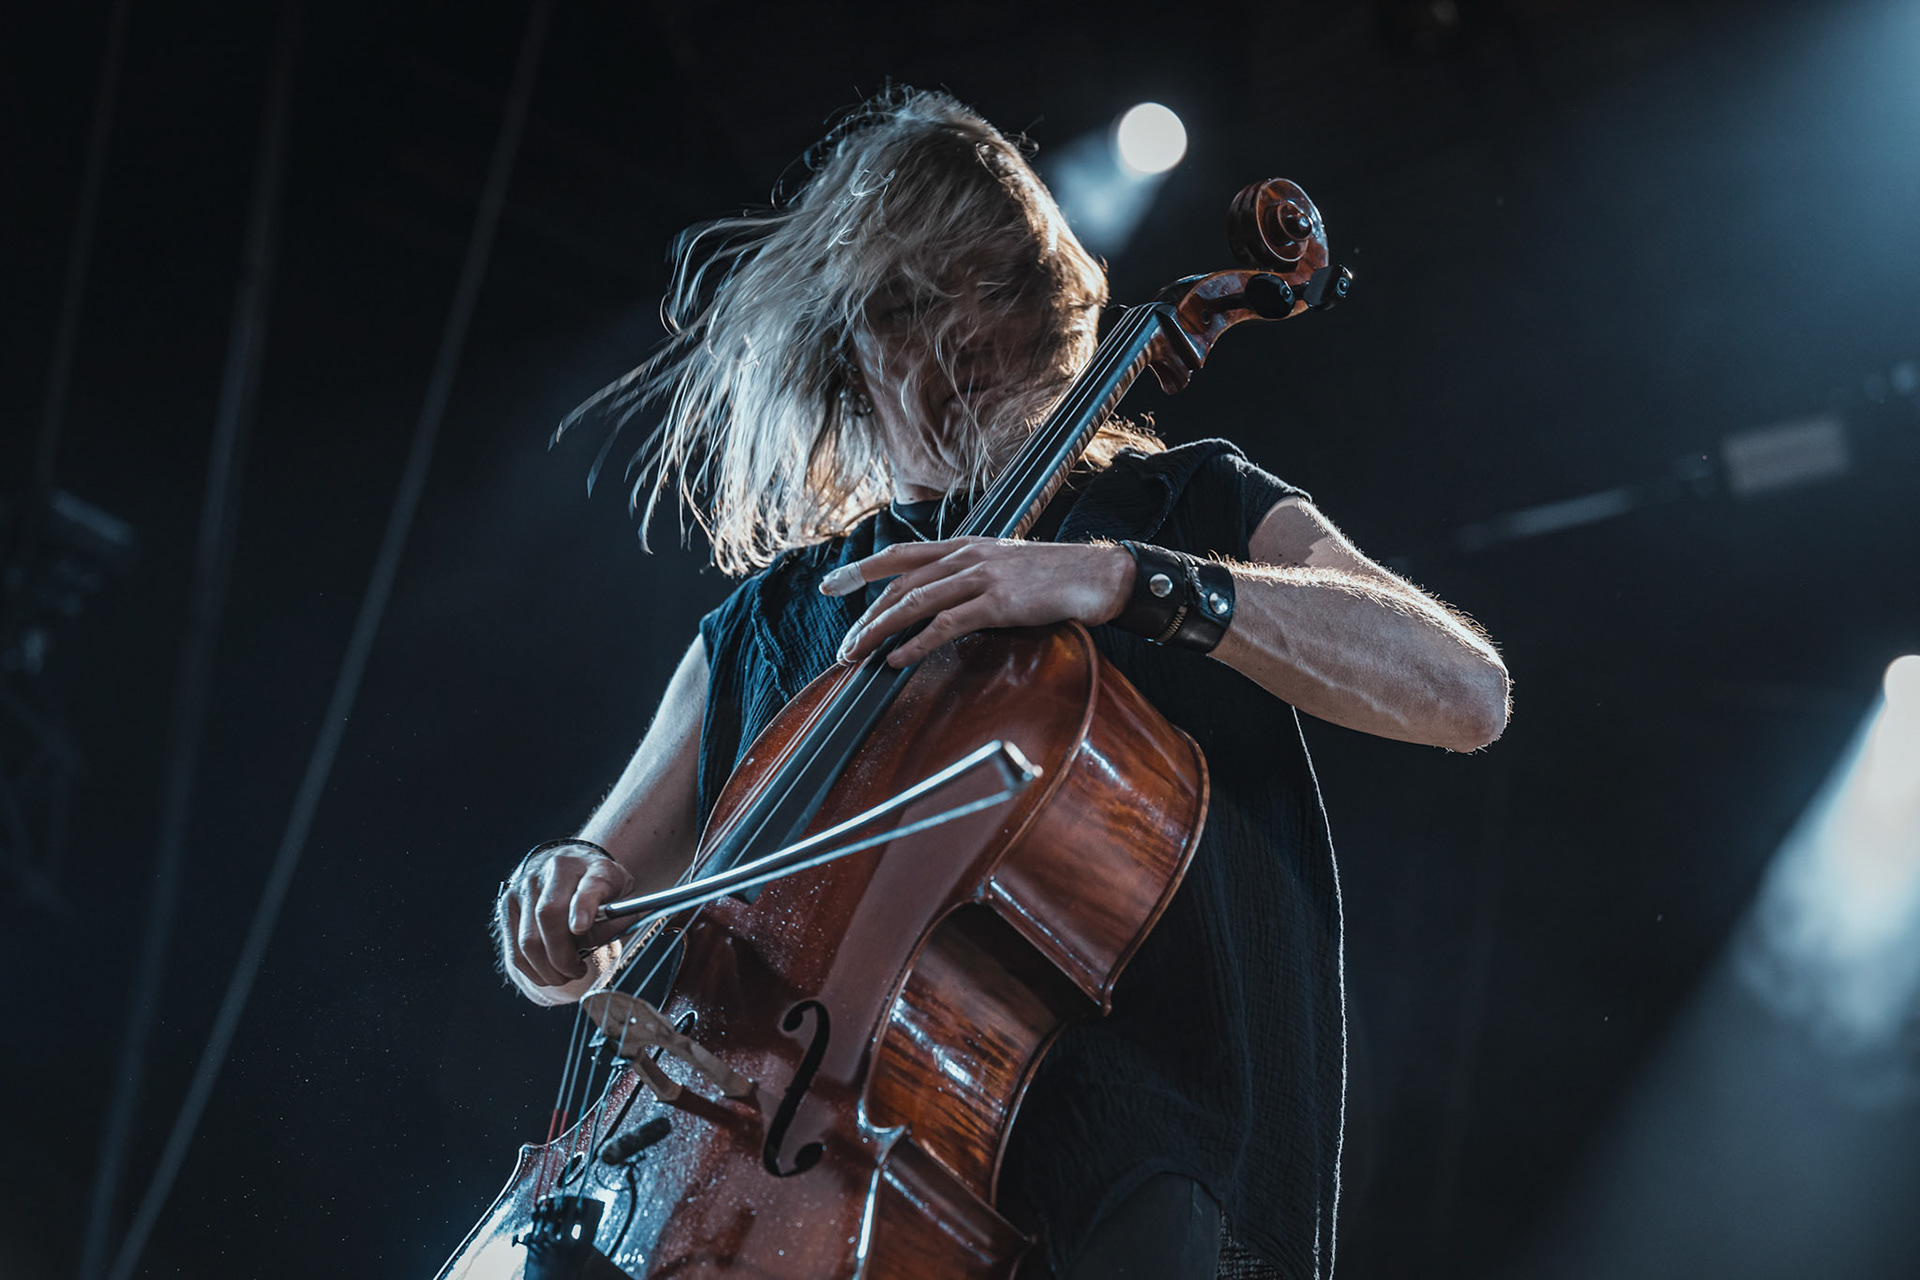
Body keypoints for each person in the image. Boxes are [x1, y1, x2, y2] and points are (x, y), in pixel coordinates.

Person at [494, 88, 1509, 1280]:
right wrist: (557, 894)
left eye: (987, 295)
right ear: (842, 338)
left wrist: (1125, 579)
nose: (958, 344)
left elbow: (1463, 687)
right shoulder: (768, 619)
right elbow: (594, 902)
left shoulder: (1181, 509)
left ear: (1044, 303)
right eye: (907, 304)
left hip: (1152, 1207)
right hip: (807, 1193)